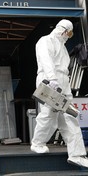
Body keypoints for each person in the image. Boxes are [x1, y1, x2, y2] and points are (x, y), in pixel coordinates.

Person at [31, 19, 88, 168]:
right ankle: (37, 143)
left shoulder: (62, 47)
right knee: (48, 115)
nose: (68, 36)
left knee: (71, 115)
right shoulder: (45, 41)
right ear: (63, 30)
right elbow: (46, 60)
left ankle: (76, 154)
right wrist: (52, 79)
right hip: (50, 80)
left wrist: (61, 82)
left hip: (63, 82)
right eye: (68, 33)